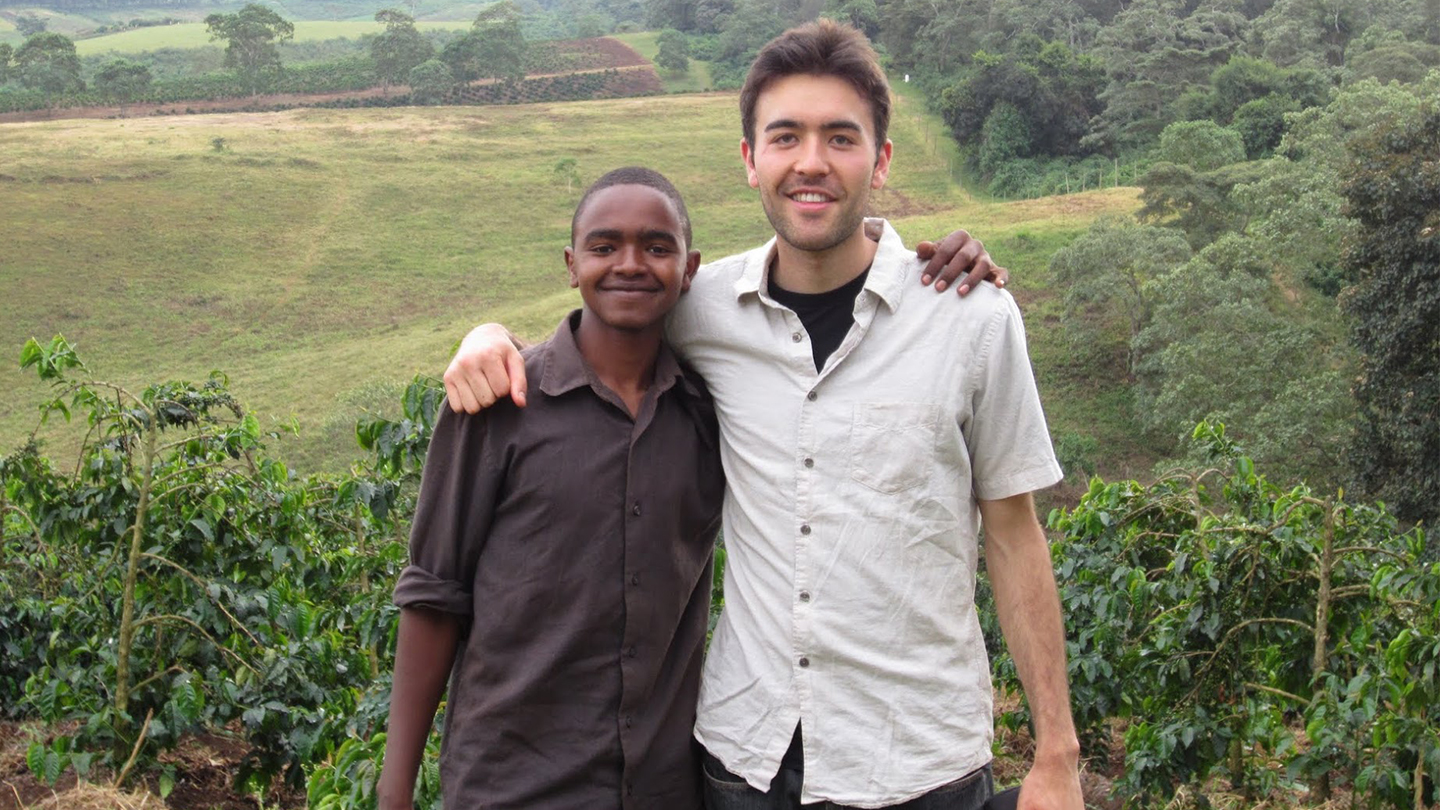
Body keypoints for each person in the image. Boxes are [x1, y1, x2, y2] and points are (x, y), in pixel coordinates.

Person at [442, 21, 1083, 810]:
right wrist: (490, 338)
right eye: (786, 136)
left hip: (919, 765)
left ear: (880, 160)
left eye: (840, 138)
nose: (811, 162)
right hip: (742, 764)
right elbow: (592, 339)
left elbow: (1015, 532)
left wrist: (1057, 753)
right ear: (751, 161)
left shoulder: (972, 320)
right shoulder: (704, 309)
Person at [376, 167, 725, 810]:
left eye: (656, 246)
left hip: (665, 785)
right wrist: (394, 787)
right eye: (603, 246)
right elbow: (433, 592)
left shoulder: (710, 413)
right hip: (513, 782)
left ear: (690, 266)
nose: (630, 264)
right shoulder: (497, 404)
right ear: (571, 263)